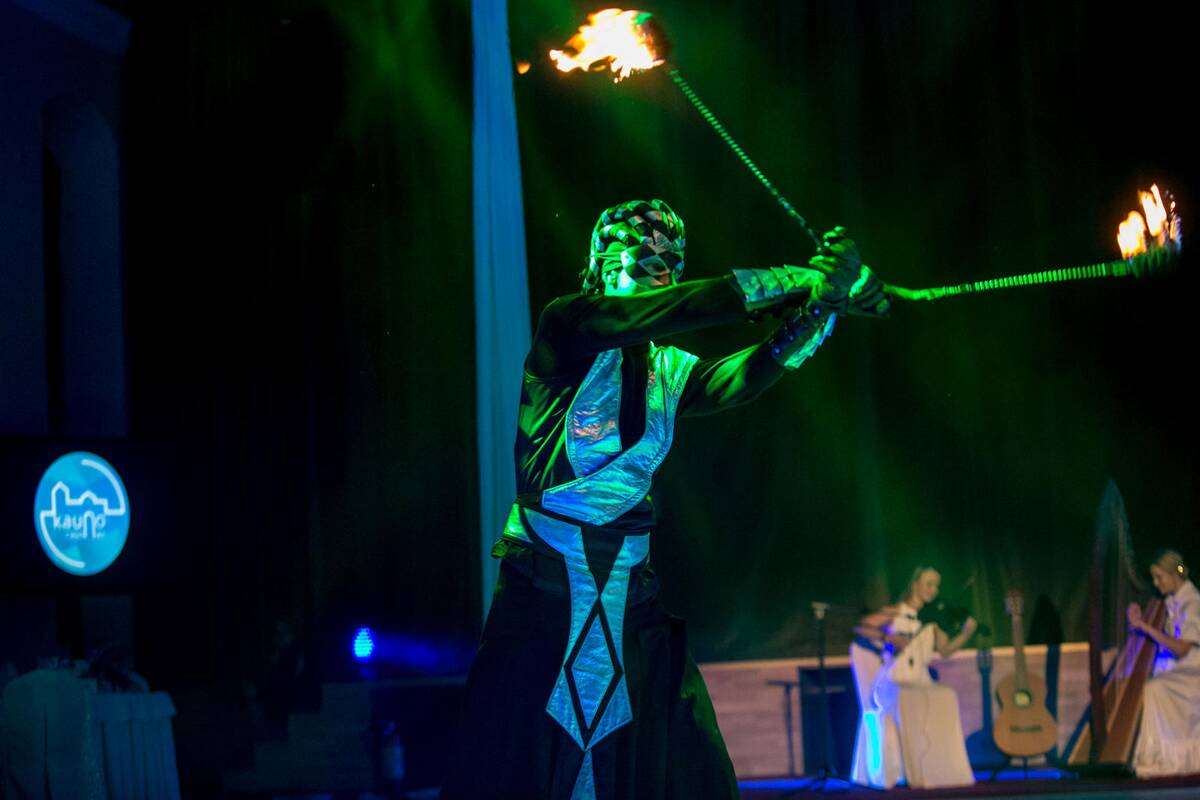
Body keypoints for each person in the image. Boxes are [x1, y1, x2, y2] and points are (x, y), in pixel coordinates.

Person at [442, 199, 889, 800]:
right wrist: (800, 278)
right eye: (647, 260)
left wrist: (820, 309)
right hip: (546, 587)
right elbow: (679, 309)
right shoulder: (568, 325)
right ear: (607, 264)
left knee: (683, 761)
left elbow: (741, 379)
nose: (663, 273)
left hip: (631, 594)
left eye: (673, 264)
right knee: (523, 758)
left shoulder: (669, 370)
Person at [860, 566, 977, 788]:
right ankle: (909, 770)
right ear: (915, 585)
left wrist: (966, 633)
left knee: (947, 696)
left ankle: (940, 769)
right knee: (909, 697)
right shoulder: (897, 611)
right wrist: (889, 638)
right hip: (893, 679)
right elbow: (863, 627)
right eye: (928, 584)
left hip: (921, 679)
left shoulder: (933, 618)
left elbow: (945, 650)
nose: (934, 590)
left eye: (936, 586)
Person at [1129, 549, 1200, 778]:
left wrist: (1146, 627)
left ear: (1174, 574)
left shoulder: (1192, 603)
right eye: (1154, 578)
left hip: (1193, 672)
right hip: (1180, 670)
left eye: (1159, 577)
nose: (1156, 583)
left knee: (1154, 687)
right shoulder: (1171, 602)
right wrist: (1137, 621)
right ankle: (1160, 756)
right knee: (1150, 684)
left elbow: (1181, 649)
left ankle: (1163, 759)